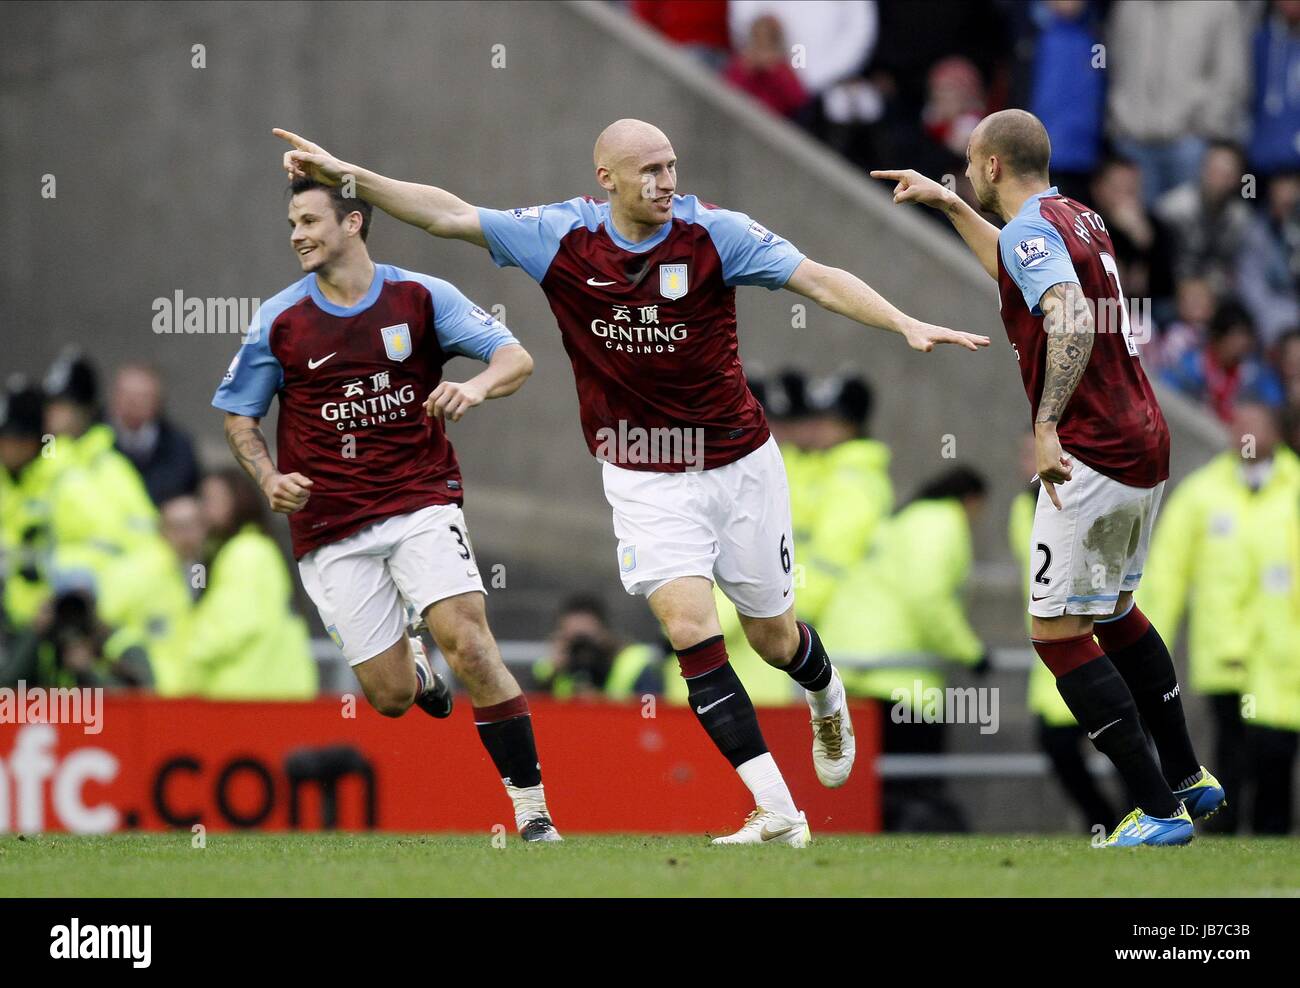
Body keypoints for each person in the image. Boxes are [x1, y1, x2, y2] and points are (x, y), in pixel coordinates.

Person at [275, 119, 989, 846]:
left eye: (672, 166)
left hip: (738, 463)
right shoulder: (559, 236)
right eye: (649, 169)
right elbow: (446, 212)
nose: (667, 181)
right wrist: (347, 175)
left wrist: (902, 322)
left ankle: (825, 695)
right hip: (642, 472)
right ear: (606, 180)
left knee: (773, 639)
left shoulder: (715, 233)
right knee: (689, 627)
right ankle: (778, 810)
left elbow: (817, 278)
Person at [872, 108, 1221, 847]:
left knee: (1058, 634)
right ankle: (1188, 776)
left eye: (970, 164)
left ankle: (1158, 809)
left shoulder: (1034, 231)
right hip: (1143, 435)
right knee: (1117, 608)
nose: (967, 172)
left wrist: (1045, 424)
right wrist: (950, 206)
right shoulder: (1077, 217)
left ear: (993, 164)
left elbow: (1070, 320)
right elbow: (1019, 266)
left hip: (1093, 443)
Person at [212, 177, 561, 841]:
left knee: (470, 641)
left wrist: (476, 388)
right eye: (292, 223)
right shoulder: (280, 320)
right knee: (391, 696)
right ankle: (416, 666)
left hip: (419, 497)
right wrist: (266, 477)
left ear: (354, 223)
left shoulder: (421, 298)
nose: (298, 235)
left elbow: (516, 358)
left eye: (310, 220)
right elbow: (238, 416)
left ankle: (532, 812)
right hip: (329, 524)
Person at [1141, 401, 1300, 834]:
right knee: (1227, 752)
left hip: (1283, 656)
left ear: (1277, 431)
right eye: (1239, 424)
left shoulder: (1294, 488)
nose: (1244, 434)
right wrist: (1150, 649)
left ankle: (1273, 834)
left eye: (1255, 424)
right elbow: (1167, 575)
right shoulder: (1202, 494)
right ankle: (1223, 834)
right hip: (1225, 652)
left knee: (1275, 753)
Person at [819, 466, 989, 832]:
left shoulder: (905, 519)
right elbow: (927, 597)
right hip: (901, 674)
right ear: (972, 501)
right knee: (914, 779)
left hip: (854, 666)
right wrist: (970, 652)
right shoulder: (943, 523)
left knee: (871, 780)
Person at [1010, 433, 1118, 834]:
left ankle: (1145, 812)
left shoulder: (1090, 501)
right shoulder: (1022, 509)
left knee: (1120, 736)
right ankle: (1105, 819)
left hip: (1093, 639)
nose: (1030, 461)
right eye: (1027, 453)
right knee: (1058, 743)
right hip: (1052, 648)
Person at [187, 469, 317, 700]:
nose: (202, 509)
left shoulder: (246, 552)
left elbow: (234, 623)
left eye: (211, 499)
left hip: (250, 692)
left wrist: (189, 652)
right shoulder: (251, 549)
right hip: (265, 690)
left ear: (237, 501)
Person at [533, 595, 663, 700]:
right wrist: (551, 676)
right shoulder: (549, 667)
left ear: (604, 633)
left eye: (586, 639)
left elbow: (651, 710)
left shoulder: (633, 662)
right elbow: (531, 713)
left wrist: (601, 703)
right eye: (573, 640)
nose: (581, 648)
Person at [109, 362, 201, 505]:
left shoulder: (177, 446)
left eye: (141, 396)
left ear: (158, 402)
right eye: (126, 394)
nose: (132, 403)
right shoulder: (93, 436)